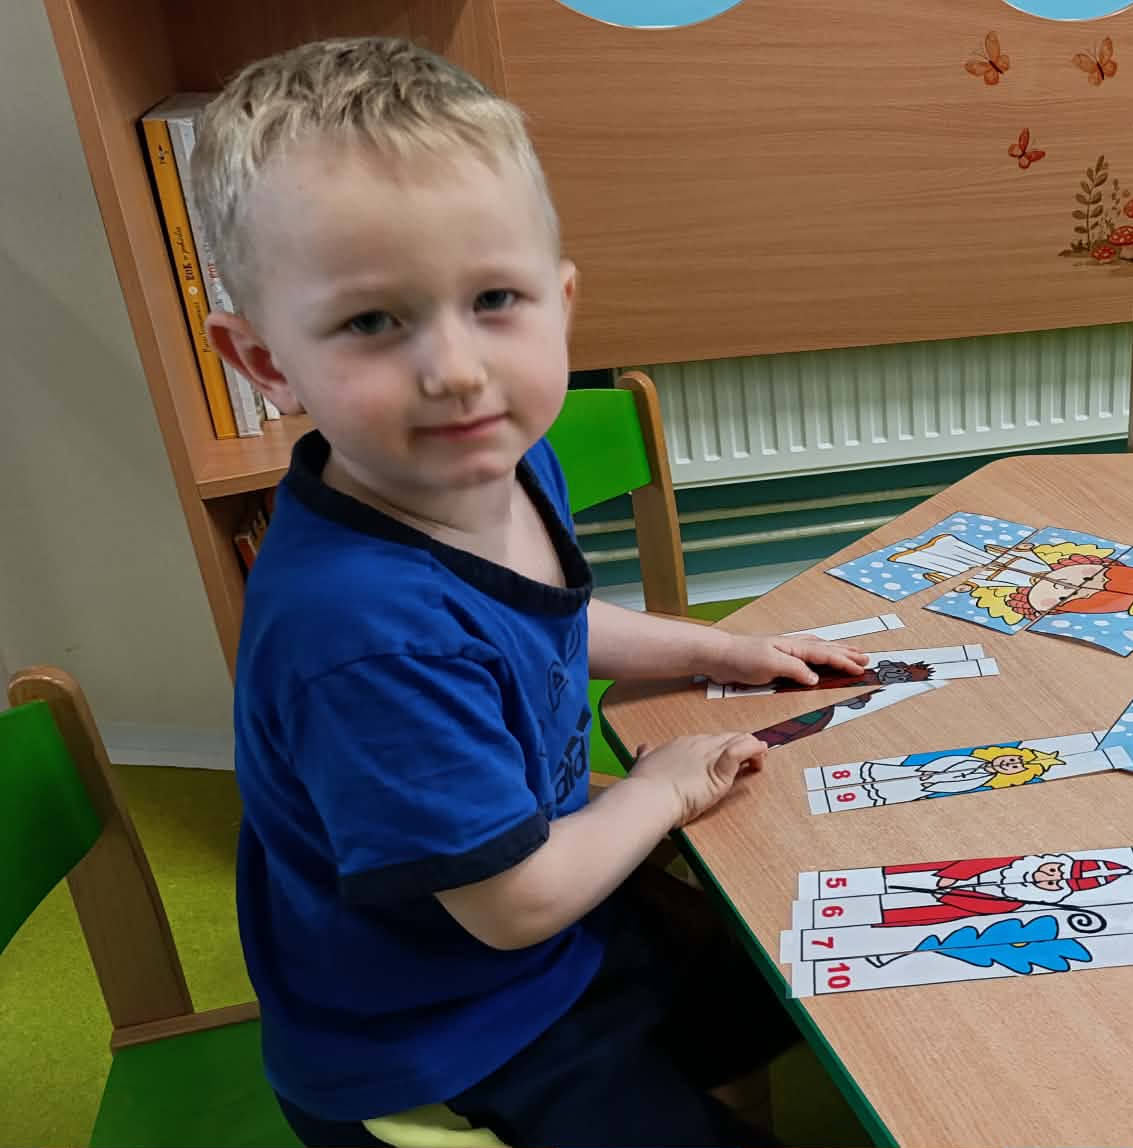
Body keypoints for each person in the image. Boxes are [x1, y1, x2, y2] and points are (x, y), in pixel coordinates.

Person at [197, 37, 867, 1146]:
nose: (456, 369)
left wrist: (713, 650)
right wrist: (661, 790)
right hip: (443, 1027)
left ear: (560, 303)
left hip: (553, 924)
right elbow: (513, 906)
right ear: (266, 361)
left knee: (811, 982)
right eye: (371, 321)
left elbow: (534, 623)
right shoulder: (358, 630)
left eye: (494, 299)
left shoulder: (497, 457)